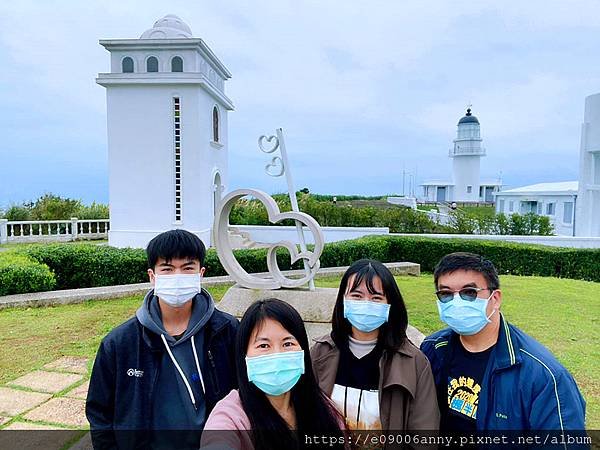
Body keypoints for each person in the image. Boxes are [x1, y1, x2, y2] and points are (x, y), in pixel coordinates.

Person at [86, 229, 239, 449]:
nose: (177, 276)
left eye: (187, 268)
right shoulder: (120, 343)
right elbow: (99, 412)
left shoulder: (226, 331)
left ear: (201, 273)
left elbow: (243, 395)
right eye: (167, 269)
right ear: (152, 276)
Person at [420, 252, 586, 432]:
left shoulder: (543, 377)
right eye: (446, 294)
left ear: (496, 298)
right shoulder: (433, 350)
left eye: (469, 292)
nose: (456, 301)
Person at [311, 259, 439, 431]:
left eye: (376, 297)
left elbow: (424, 431)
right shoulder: (320, 353)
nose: (366, 303)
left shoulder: (414, 362)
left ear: (390, 305)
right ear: (343, 300)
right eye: (356, 295)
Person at [202, 298, 345, 450]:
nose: (277, 354)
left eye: (288, 344)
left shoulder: (324, 408)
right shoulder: (231, 416)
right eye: (264, 345)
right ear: (244, 356)